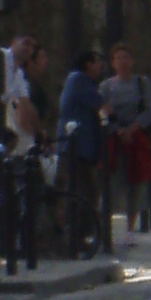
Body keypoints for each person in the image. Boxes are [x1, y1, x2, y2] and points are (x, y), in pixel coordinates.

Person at [98, 40, 151, 233]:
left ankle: (131, 225)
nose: (122, 62)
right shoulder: (106, 87)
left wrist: (133, 129)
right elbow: (102, 111)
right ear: (113, 63)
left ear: (132, 61)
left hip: (137, 137)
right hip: (114, 138)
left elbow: (150, 110)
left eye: (126, 57)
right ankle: (104, 225)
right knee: (112, 181)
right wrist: (117, 130)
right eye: (118, 58)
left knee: (137, 180)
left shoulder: (142, 83)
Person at [56, 46, 105, 254]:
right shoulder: (79, 80)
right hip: (75, 149)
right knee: (83, 194)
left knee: (86, 193)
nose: (100, 66)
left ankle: (78, 237)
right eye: (97, 62)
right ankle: (73, 238)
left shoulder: (82, 82)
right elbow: (101, 105)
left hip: (82, 149)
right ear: (88, 64)